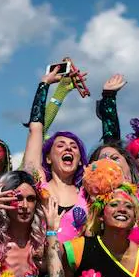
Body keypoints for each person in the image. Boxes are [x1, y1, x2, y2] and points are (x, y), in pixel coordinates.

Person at [22, 66, 89, 242]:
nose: (68, 149)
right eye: (60, 145)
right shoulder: (37, 183)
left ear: (81, 161)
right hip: (38, 266)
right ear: (48, 158)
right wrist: (44, 84)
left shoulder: (88, 194)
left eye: (74, 147)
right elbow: (36, 129)